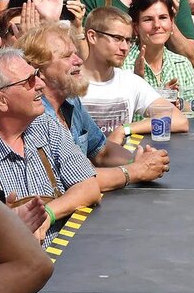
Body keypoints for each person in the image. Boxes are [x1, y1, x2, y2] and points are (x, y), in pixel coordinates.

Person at [0, 49, 100, 245]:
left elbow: (88, 186)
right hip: (7, 269)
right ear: (0, 99)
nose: (40, 85)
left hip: (65, 263)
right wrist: (8, 226)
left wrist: (47, 214)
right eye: (29, 81)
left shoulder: (45, 125)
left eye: (37, 75)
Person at [15, 23, 170, 192]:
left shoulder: (71, 100)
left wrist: (137, 160)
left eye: (76, 53)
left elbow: (101, 150)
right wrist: (135, 171)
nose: (79, 60)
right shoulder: (34, 115)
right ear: (39, 70)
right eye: (67, 56)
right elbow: (74, 179)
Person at [124, 0, 194, 116]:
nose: (157, 25)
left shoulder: (181, 63)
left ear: (171, 22)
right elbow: (120, 116)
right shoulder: (123, 64)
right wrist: (157, 100)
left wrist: (177, 104)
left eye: (163, 17)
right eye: (148, 19)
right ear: (136, 27)